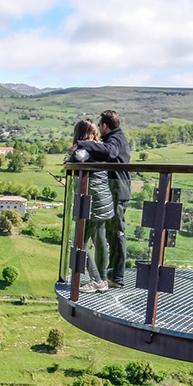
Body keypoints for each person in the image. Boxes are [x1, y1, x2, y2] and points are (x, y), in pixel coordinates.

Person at [69, 110, 130, 288]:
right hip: (110, 194)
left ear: (104, 126)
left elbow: (109, 152)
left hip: (115, 193)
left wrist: (80, 145)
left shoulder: (115, 140)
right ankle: (106, 276)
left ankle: (113, 277)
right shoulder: (113, 139)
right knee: (105, 237)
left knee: (116, 234)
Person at [67, 119, 112, 293]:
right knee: (100, 241)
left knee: (80, 243)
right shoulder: (99, 148)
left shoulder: (84, 150)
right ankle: (104, 279)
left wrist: (69, 157)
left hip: (91, 202)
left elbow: (75, 159)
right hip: (103, 200)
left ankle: (97, 281)